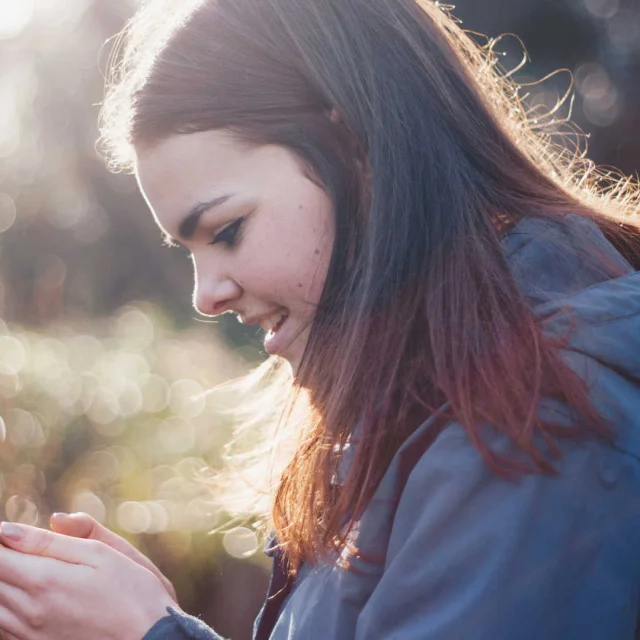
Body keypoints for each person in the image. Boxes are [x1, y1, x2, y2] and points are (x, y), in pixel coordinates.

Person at [0, 0, 639, 637]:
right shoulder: (421, 402)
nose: (205, 296)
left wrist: (149, 634)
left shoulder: (542, 415)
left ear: (354, 147)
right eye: (188, 250)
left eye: (226, 231)